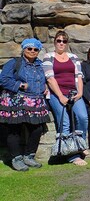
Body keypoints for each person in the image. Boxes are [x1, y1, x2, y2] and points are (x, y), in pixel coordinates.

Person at [0, 38, 51, 171]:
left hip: (35, 101)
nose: (32, 51)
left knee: (37, 128)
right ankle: (16, 158)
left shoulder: (40, 65)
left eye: (35, 49)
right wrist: (19, 85)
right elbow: (3, 79)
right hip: (16, 100)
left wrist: (45, 86)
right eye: (29, 48)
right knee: (14, 129)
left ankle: (29, 156)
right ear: (24, 49)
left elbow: (44, 79)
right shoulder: (14, 63)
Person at [43, 31, 88, 166]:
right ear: (54, 42)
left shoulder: (73, 57)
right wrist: (60, 96)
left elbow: (79, 76)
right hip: (57, 94)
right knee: (65, 122)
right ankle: (72, 155)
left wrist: (80, 93)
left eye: (64, 41)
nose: (61, 43)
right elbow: (50, 79)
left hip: (74, 92)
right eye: (59, 41)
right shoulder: (48, 57)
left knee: (82, 117)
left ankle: (81, 145)